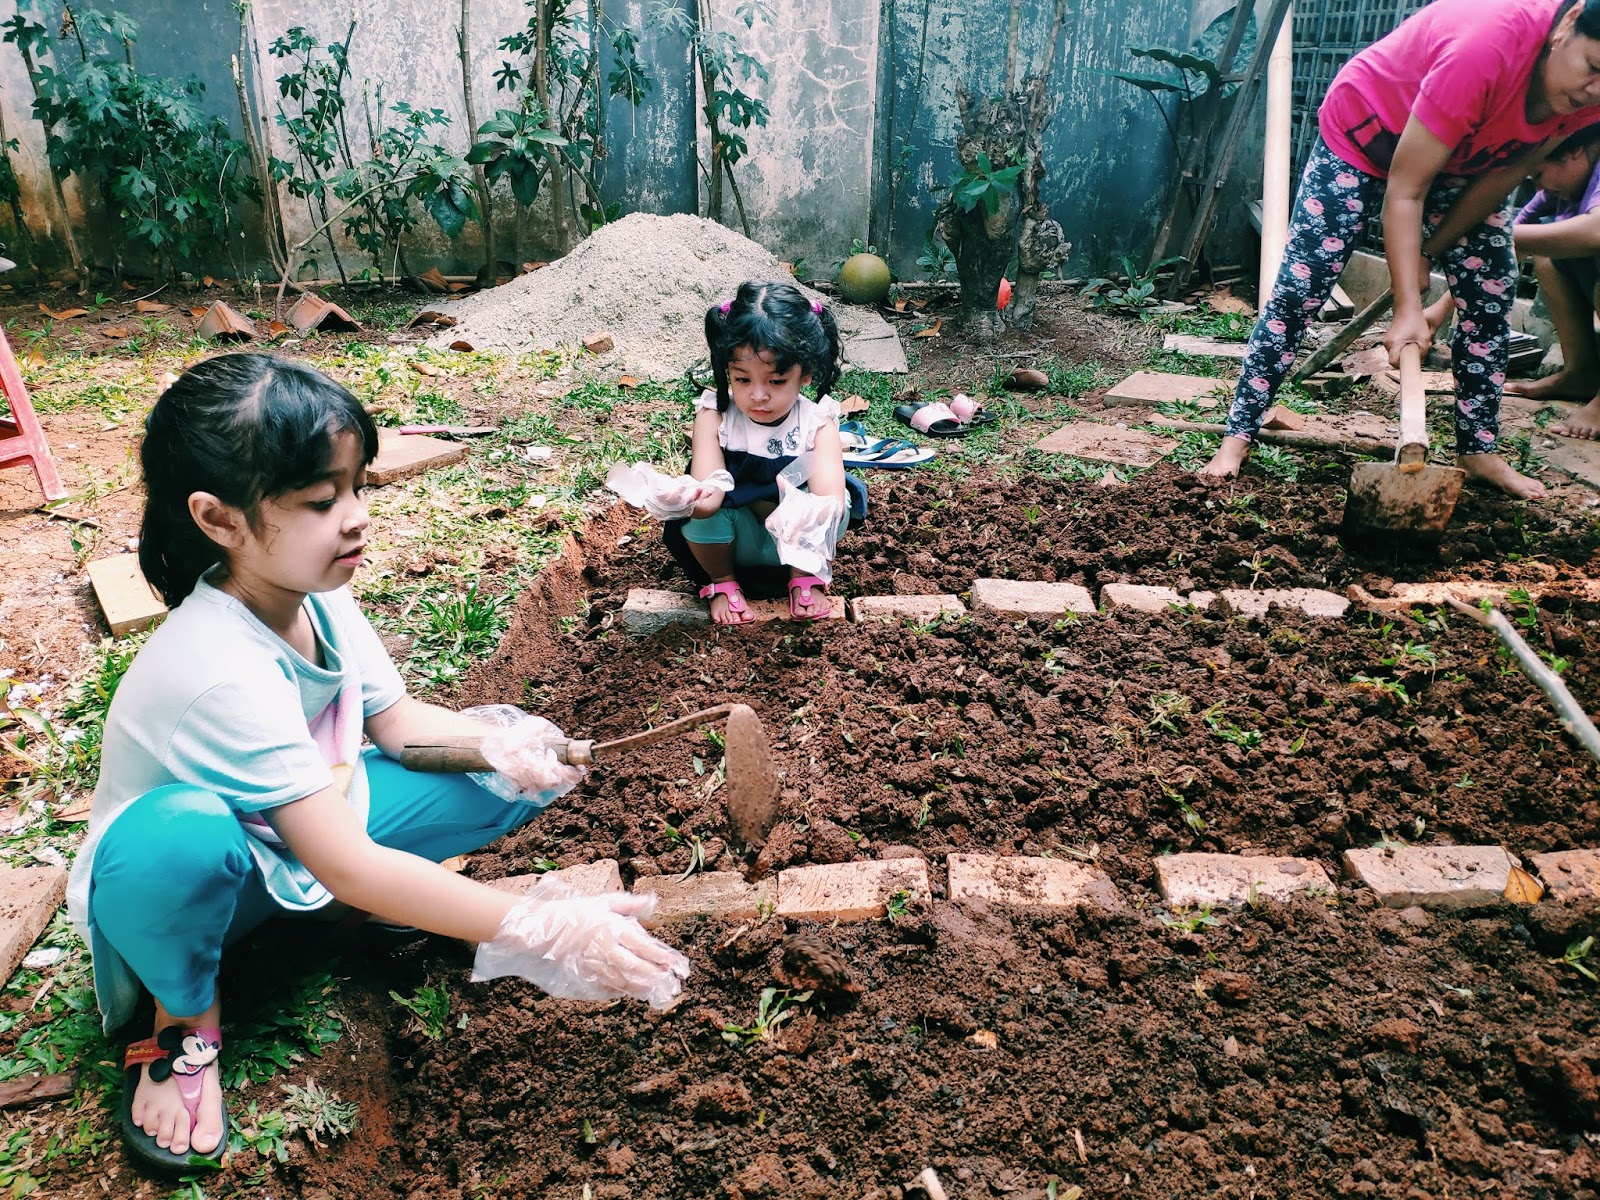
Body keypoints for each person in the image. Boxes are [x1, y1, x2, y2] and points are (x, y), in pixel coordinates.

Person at [66, 353, 689, 1173]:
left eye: (357, 486)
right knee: (182, 834)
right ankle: (183, 1020)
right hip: (181, 884)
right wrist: (538, 926)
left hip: (294, 839)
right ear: (219, 520)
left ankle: (316, 919)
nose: (356, 516)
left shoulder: (316, 592)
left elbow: (393, 723)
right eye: (323, 500)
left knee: (500, 771)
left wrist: (499, 742)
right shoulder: (213, 664)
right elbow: (351, 863)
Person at [1203, 0, 1600, 499]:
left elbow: (1503, 175)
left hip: (1466, 159)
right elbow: (1406, 189)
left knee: (1491, 288)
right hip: (1367, 136)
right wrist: (1408, 307)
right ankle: (1238, 435)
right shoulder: (1483, 47)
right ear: (1568, 22)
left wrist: (1428, 252)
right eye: (1593, 68)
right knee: (1300, 289)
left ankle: (1478, 450)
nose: (1595, 92)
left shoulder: (1588, 97)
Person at [681, 280, 849, 624]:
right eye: (742, 380)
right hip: (732, 543)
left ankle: (803, 577)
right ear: (727, 371)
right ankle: (723, 583)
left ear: (805, 375)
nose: (758, 395)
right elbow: (709, 494)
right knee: (696, 510)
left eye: (775, 381)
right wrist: (682, 498)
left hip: (796, 545)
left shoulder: (817, 422)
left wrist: (801, 510)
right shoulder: (715, 416)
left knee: (840, 503)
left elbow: (830, 497)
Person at [1498, 125, 1600, 436]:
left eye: (1539, 174)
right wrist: (1437, 310)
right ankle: (1580, 372)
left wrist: (1490, 234)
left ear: (1574, 152)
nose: (1538, 186)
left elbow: (1596, 230)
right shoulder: (1563, 190)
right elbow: (1503, 248)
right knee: (1545, 253)